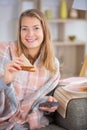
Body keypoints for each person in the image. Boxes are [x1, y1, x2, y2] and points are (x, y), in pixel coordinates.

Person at [0, 9, 60, 130]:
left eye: (36, 28)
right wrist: (5, 81)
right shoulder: (4, 50)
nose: (30, 34)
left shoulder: (52, 65)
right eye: (25, 28)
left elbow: (38, 99)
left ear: (44, 31)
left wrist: (47, 103)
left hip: (27, 120)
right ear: (19, 31)